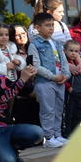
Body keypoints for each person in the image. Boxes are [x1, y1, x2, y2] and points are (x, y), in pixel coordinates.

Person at [27, 12, 70, 147]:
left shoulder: (56, 43)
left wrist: (66, 75)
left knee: (58, 110)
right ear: (38, 28)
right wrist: (53, 77)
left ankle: (58, 135)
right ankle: (49, 137)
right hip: (45, 82)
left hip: (59, 82)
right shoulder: (35, 45)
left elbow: (64, 60)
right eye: (47, 25)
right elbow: (36, 66)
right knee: (48, 111)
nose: (51, 28)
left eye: (52, 25)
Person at [0, 64, 44, 162]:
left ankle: (12, 148)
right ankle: (7, 152)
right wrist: (22, 80)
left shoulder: (1, 78)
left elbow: (23, 92)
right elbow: (2, 97)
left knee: (37, 132)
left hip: (7, 128)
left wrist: (29, 79)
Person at [61, 39, 81, 136]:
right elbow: (61, 76)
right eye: (71, 51)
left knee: (78, 113)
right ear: (64, 51)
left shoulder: (78, 63)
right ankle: (67, 133)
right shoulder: (64, 63)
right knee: (68, 114)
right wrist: (68, 87)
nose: (73, 53)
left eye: (76, 51)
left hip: (80, 93)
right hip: (69, 94)